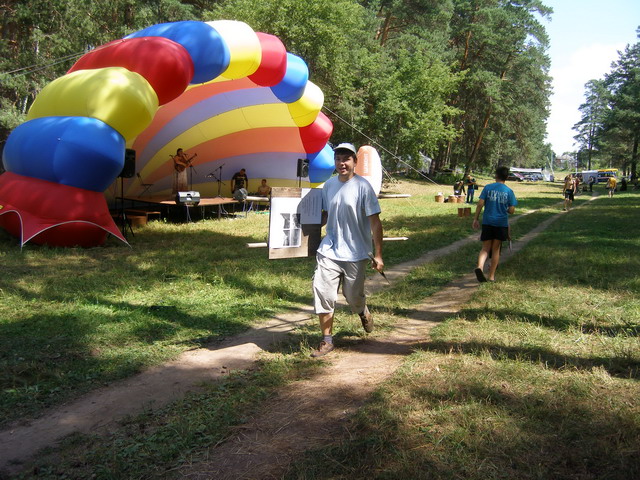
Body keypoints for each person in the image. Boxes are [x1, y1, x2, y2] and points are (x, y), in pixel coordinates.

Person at [311, 142, 384, 357]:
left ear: (355, 162)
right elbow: (325, 215)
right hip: (329, 250)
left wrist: (378, 254)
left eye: (346, 159)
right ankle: (327, 340)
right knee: (323, 292)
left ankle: (362, 310)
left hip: (356, 252)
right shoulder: (328, 186)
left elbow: (375, 223)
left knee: (352, 296)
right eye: (338, 159)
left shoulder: (363, 187)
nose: (342, 163)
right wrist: (304, 223)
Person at [472, 166, 517, 283]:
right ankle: (491, 276)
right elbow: (512, 210)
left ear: (496, 175)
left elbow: (480, 204)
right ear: (507, 177)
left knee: (485, 248)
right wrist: (504, 208)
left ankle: (480, 267)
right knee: (496, 249)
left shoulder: (488, 188)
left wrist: (475, 219)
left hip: (488, 222)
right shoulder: (509, 191)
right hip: (501, 223)